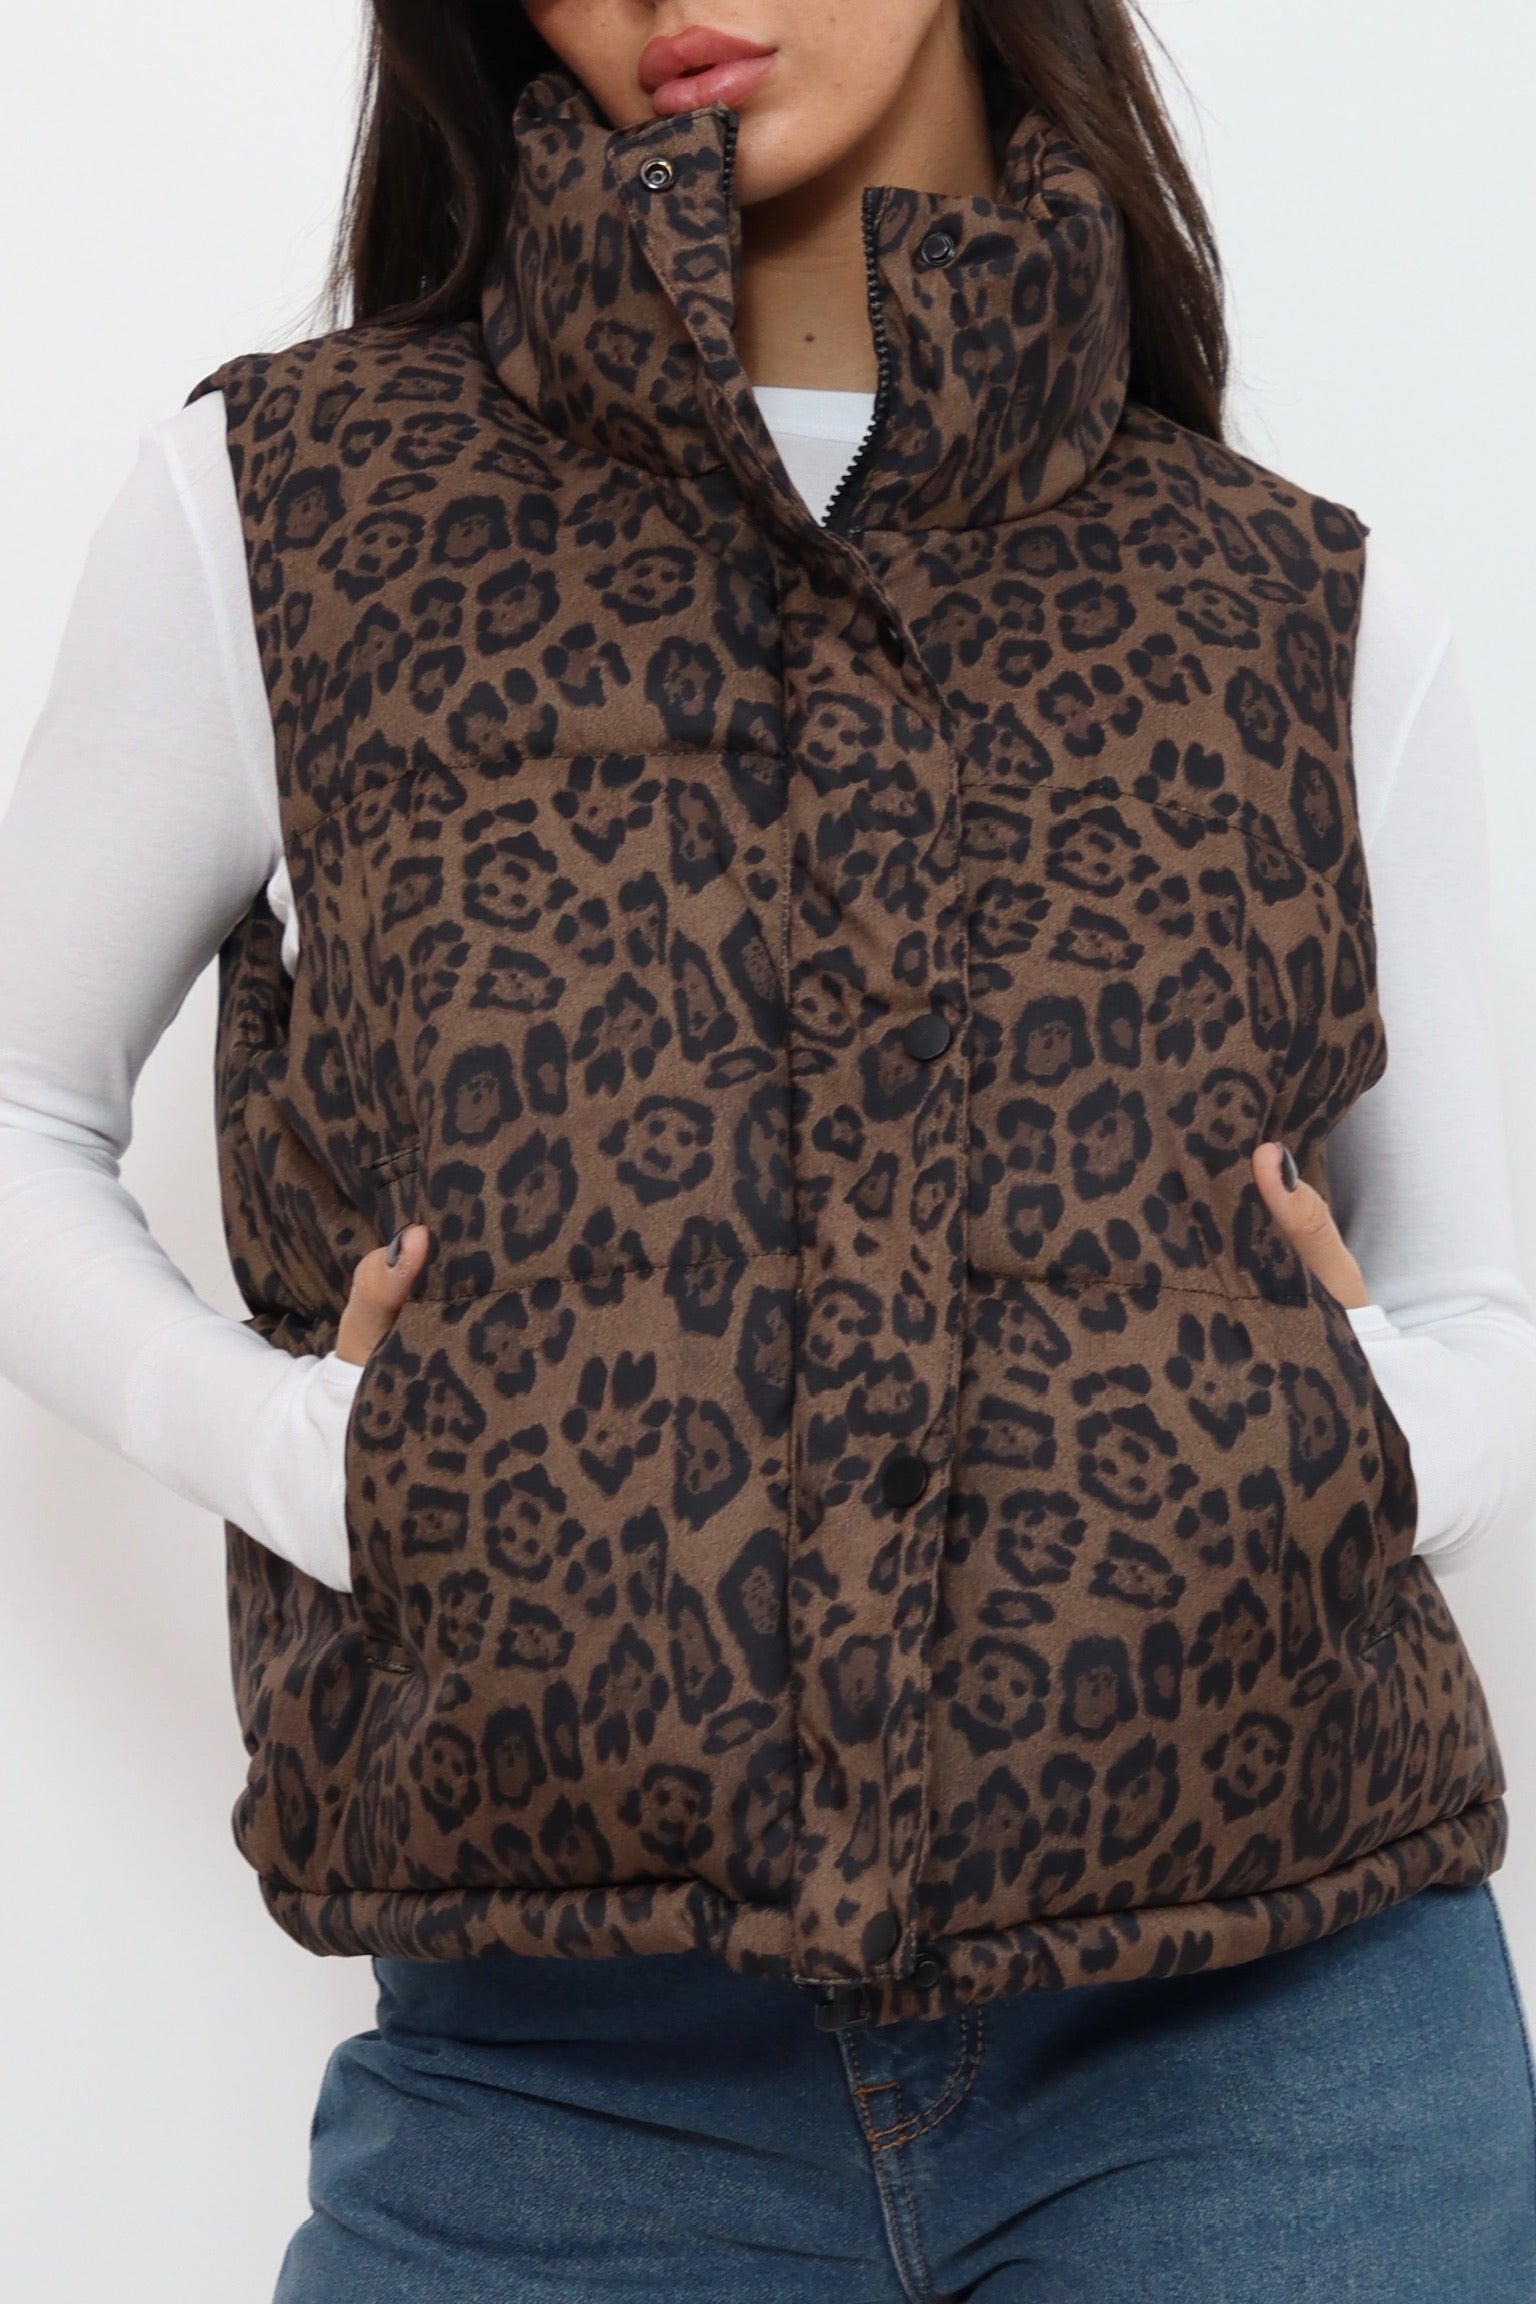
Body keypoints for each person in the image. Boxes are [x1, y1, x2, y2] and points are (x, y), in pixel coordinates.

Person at [3, 1, 1535, 2295]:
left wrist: (1336, 1438)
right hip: (559, 2088)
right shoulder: (290, 516)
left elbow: (1482, 1307)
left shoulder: (1295, 599)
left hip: (1277, 2059)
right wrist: (318, 1462)